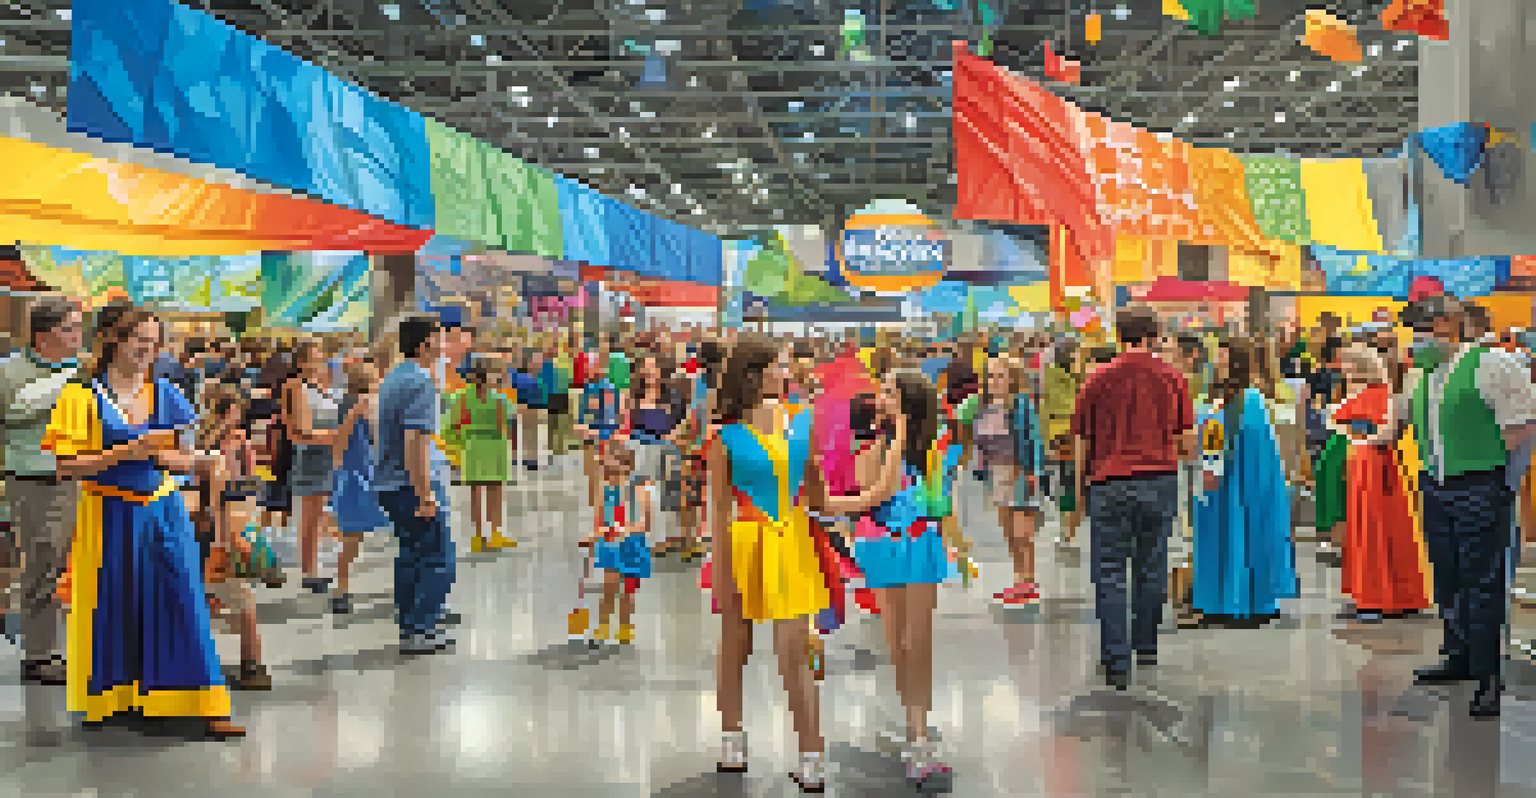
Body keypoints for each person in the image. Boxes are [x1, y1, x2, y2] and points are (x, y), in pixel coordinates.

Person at [709, 338, 900, 793]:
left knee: (795, 654)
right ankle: (731, 737)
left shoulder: (802, 423)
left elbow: (815, 497)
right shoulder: (723, 436)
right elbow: (717, 509)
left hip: (793, 543)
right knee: (736, 647)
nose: (787, 370)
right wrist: (720, 570)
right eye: (778, 364)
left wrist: (866, 500)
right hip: (744, 544)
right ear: (755, 373)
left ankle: (810, 755)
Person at [43, 304, 243, 737]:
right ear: (113, 338)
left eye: (154, 342)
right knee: (113, 606)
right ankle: (121, 696)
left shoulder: (167, 392)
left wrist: (180, 458)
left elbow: (179, 458)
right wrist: (128, 452)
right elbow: (66, 466)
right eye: (139, 340)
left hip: (163, 511)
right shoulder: (80, 395)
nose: (147, 350)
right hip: (106, 512)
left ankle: (204, 700)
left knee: (182, 601)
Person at [1402, 294, 1536, 718]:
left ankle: (1488, 677)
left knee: (1482, 583)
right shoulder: (1425, 373)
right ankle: (1456, 654)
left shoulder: (1493, 364)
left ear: (1451, 325)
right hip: (1436, 486)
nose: (1419, 339)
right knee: (1448, 576)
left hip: (1481, 484)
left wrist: (1504, 484)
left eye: (1427, 329)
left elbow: (1523, 426)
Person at [1071, 307, 1194, 690]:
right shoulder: (1174, 379)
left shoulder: (1097, 379)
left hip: (1108, 483)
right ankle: (1147, 644)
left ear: (1118, 333)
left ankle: (1116, 659)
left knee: (1109, 572)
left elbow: (1082, 441)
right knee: (1151, 565)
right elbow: (1187, 443)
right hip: (1159, 481)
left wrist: (1078, 492)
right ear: (1154, 334)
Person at [848, 371, 958, 788]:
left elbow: (940, 499)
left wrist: (957, 544)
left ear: (910, 401)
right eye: (884, 391)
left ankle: (919, 735)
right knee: (896, 643)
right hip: (882, 546)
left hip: (921, 544)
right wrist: (891, 440)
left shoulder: (934, 448)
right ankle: (916, 727)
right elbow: (873, 491)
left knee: (918, 642)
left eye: (891, 392)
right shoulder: (874, 447)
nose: (882, 397)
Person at [0, 296, 83, 685]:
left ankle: (85, 648)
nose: (78, 335)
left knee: (82, 565)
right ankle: (39, 655)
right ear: (45, 333)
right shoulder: (9, 372)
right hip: (33, 480)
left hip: (85, 477)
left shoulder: (85, 370)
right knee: (42, 565)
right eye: (71, 328)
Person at [1191, 337, 1298, 626]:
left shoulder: (1250, 399)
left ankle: (1249, 601)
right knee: (1220, 535)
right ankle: (1220, 600)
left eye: (1224, 355)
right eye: (1217, 355)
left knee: (1245, 533)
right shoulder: (1218, 397)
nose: (1218, 361)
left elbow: (1254, 445)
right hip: (1218, 481)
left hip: (1242, 482)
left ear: (1237, 360)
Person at [1328, 344, 1430, 622]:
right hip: (1368, 464)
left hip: (1376, 466)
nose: (1343, 370)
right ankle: (1375, 596)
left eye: (1347, 364)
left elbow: (1385, 433)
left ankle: (1377, 599)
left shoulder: (1383, 396)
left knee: (1375, 529)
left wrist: (1361, 437)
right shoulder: (1371, 395)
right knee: (1371, 529)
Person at [375, 315, 458, 656]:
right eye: (439, 337)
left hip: (390, 483)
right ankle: (422, 628)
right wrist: (424, 494)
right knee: (439, 557)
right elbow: (415, 441)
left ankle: (411, 626)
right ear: (425, 344)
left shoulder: (393, 378)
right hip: (411, 484)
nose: (445, 343)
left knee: (411, 555)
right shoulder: (421, 382)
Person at [974, 356, 1044, 605]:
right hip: (997, 475)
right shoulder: (985, 407)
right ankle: (1019, 580)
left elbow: (1034, 440)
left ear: (1012, 379)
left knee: (1022, 532)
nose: (993, 381)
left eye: (999, 376)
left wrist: (1033, 471)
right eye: (990, 376)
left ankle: (1029, 581)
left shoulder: (1022, 406)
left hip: (1019, 473)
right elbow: (981, 444)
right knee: (1009, 533)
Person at [329, 358, 391, 614]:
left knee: (354, 538)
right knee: (352, 537)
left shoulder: (366, 405)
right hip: (354, 476)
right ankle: (341, 588)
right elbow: (339, 444)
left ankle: (343, 588)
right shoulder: (351, 406)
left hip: (367, 473)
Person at [285, 340, 344, 594]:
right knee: (310, 518)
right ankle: (309, 572)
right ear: (301, 362)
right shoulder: (297, 387)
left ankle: (314, 569)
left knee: (318, 516)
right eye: (313, 358)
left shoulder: (322, 387)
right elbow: (302, 429)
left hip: (326, 454)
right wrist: (338, 435)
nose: (319, 363)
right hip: (311, 454)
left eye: (320, 358)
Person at [580, 441, 653, 645]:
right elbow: (601, 520)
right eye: (608, 468)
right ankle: (603, 626)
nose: (612, 475)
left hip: (632, 546)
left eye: (617, 468)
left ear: (628, 466)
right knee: (609, 587)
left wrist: (618, 530)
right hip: (611, 545)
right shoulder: (605, 491)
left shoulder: (640, 490)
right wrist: (594, 537)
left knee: (628, 592)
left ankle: (625, 628)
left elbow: (645, 524)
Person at [443, 358, 513, 553]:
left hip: (473, 445)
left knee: (475, 492)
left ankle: (478, 536)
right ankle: (495, 534)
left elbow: (450, 426)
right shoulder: (499, 399)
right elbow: (503, 425)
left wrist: (458, 447)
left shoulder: (462, 399)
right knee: (495, 490)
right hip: (494, 445)